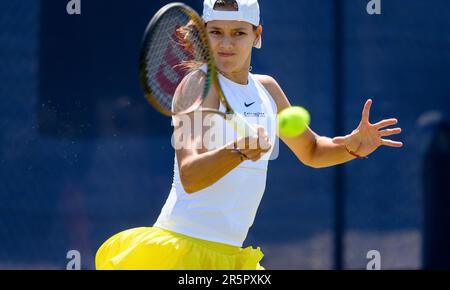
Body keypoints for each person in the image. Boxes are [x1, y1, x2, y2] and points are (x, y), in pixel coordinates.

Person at [95, 0, 403, 270]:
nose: (226, 44)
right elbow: (190, 175)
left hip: (231, 256)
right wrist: (238, 150)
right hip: (185, 248)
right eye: (215, 32)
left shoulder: (267, 89)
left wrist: (351, 146)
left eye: (238, 33)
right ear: (203, 36)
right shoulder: (199, 86)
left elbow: (311, 150)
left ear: (257, 36)